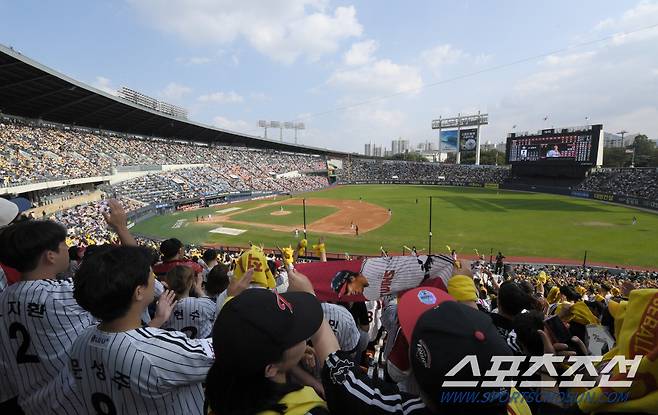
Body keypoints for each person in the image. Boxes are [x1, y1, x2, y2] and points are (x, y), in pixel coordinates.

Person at [52, 245, 214, 415]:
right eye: (150, 274)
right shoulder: (162, 350)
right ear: (139, 292)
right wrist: (228, 297)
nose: (155, 278)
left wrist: (157, 321)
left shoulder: (82, 340)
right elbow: (227, 351)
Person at [204, 273, 327, 415]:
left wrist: (231, 297)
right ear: (270, 369)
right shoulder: (309, 411)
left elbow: (239, 321)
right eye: (296, 335)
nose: (304, 337)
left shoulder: (219, 393)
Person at [161, 265, 216, 339]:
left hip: (172, 347)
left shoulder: (162, 307)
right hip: (198, 346)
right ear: (191, 283)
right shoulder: (202, 304)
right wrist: (199, 289)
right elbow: (214, 308)